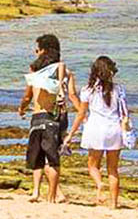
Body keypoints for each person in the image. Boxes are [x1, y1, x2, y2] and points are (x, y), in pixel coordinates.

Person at [64, 56, 128, 208]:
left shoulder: (88, 90)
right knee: (113, 169)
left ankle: (99, 184)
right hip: (114, 129)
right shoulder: (118, 89)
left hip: (95, 129)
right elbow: (124, 113)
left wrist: (71, 134)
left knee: (93, 166)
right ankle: (114, 203)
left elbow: (81, 114)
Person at [18, 34, 72, 203]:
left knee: (37, 158)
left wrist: (21, 108)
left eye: (37, 49)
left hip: (36, 116)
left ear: (44, 50)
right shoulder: (60, 70)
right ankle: (52, 195)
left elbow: (27, 96)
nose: (35, 52)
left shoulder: (34, 70)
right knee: (53, 158)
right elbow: (66, 86)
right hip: (52, 117)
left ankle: (35, 192)